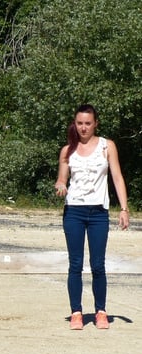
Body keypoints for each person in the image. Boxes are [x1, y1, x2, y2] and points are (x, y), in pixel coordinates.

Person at [55, 104, 129, 330]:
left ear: (96, 123)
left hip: (98, 212)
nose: (83, 127)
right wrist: (60, 185)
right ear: (75, 124)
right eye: (80, 123)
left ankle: (101, 312)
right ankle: (76, 313)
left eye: (88, 123)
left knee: (98, 264)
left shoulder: (107, 146)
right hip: (74, 211)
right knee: (75, 264)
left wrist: (124, 208)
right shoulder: (67, 150)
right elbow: (62, 178)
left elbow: (117, 177)